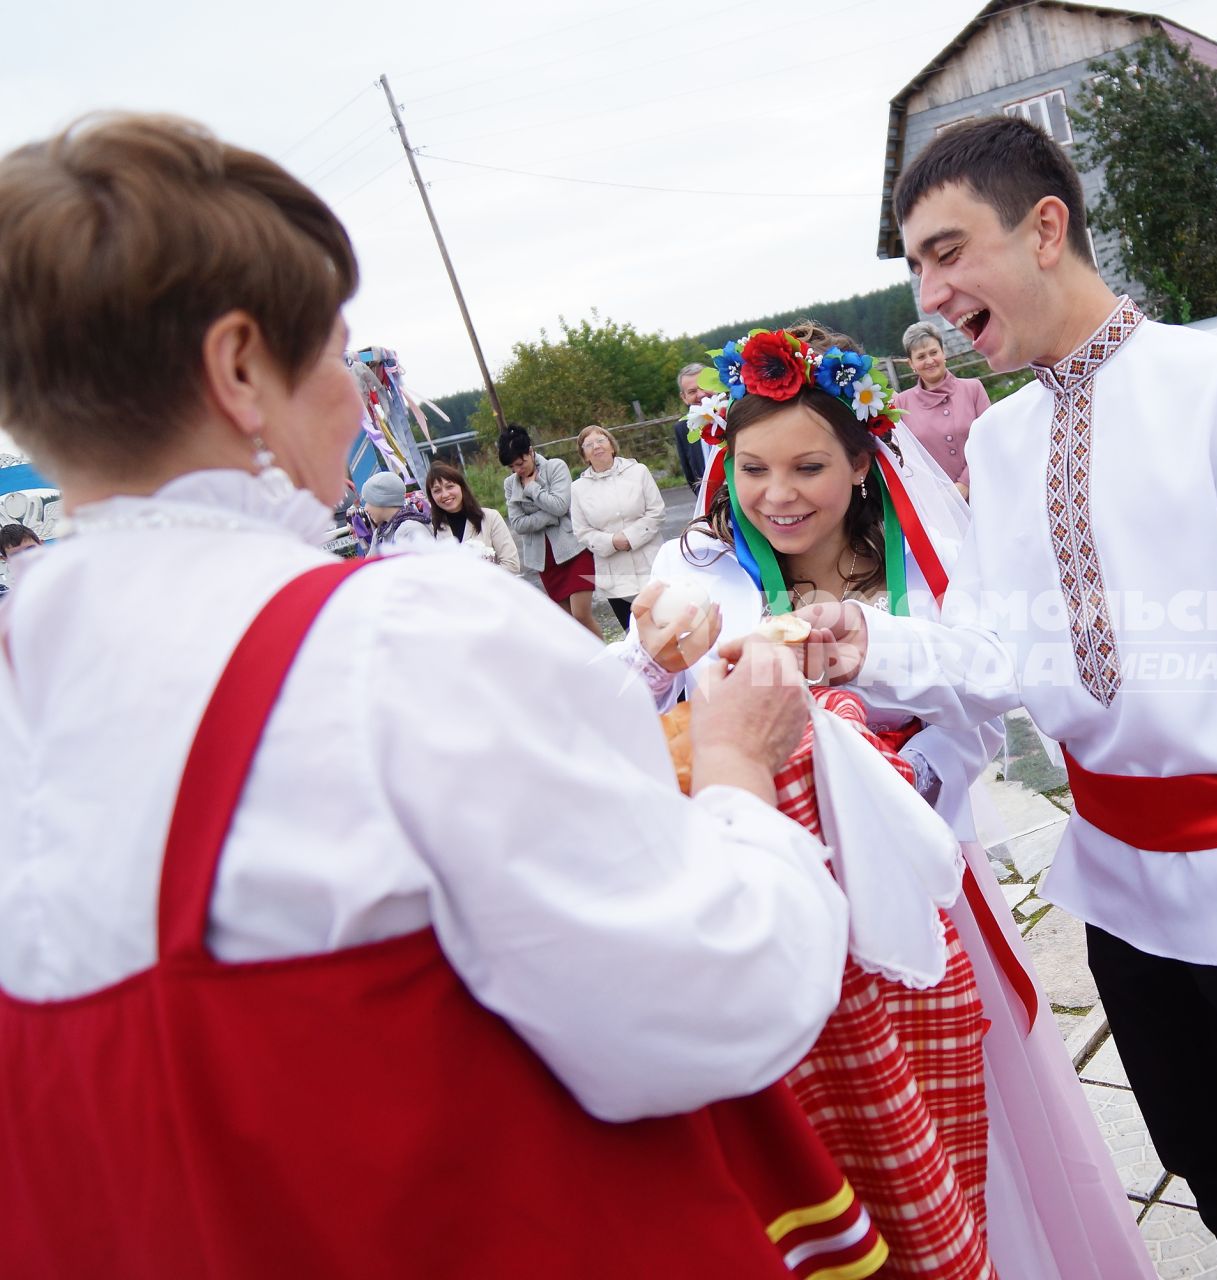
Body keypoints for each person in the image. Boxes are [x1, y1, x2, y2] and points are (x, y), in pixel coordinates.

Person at [0, 113, 884, 1280]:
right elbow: (713, 1000)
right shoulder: (399, 640)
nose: (359, 406)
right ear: (237, 369)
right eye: (340, 355)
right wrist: (730, 766)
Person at [800, 117, 1217, 1280]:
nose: (931, 295)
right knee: (1212, 1167)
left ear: (1045, 228)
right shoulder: (996, 440)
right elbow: (994, 649)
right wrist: (863, 643)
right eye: (913, 268)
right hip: (1120, 888)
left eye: (947, 252)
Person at [637, 322, 1155, 1279]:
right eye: (752, 469)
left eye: (807, 467)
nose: (777, 495)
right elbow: (649, 721)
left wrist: (895, 767)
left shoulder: (911, 575)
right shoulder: (698, 577)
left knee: (962, 1136)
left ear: (865, 467)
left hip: (923, 901)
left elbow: (989, 703)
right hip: (771, 907)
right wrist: (649, 657)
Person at [498, 424, 596, 633]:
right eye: (512, 467)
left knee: (581, 615)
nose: (518, 470)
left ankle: (609, 662)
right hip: (545, 560)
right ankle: (586, 664)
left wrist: (533, 489)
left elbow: (561, 505)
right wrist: (551, 516)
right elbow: (518, 524)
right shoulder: (511, 484)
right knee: (569, 626)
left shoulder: (556, 467)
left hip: (574, 550)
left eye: (521, 463)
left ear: (531, 451)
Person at [568, 423, 665, 634]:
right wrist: (612, 542)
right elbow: (582, 531)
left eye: (601, 440)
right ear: (584, 455)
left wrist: (630, 537)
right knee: (635, 636)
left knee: (666, 626)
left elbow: (656, 511)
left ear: (612, 446)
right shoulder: (577, 489)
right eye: (588, 444)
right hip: (615, 576)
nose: (596, 446)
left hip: (651, 564)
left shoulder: (638, 471)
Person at [893, 321, 990, 500]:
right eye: (921, 356)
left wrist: (965, 483)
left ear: (943, 353)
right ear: (911, 363)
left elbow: (989, 440)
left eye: (933, 352)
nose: (929, 361)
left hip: (984, 489)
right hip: (938, 502)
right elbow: (907, 458)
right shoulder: (901, 403)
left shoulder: (973, 389)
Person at [424, 459, 520, 572]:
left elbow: (511, 565)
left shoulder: (490, 518)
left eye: (449, 486)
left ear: (462, 487)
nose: (445, 494)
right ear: (431, 497)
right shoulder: (431, 529)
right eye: (437, 491)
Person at [356, 470, 433, 557]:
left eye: (368, 502)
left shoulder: (409, 530)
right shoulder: (381, 532)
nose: (365, 508)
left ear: (381, 500)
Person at [673, 362, 709, 488]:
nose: (701, 394)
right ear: (684, 397)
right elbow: (691, 476)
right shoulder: (682, 428)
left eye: (704, 386)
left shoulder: (734, 415)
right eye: (692, 391)